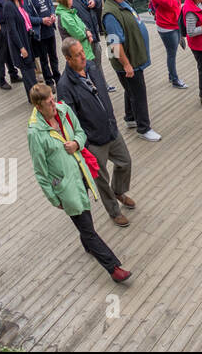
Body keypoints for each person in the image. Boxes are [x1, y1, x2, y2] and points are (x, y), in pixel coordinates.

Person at [26, 83, 132, 283]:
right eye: (49, 103)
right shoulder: (35, 134)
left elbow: (80, 133)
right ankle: (114, 268)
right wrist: (53, 197)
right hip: (65, 188)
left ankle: (88, 245)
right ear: (38, 107)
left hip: (81, 174)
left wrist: (76, 143)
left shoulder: (64, 110)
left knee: (86, 220)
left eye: (53, 98)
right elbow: (40, 170)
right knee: (88, 229)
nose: (53, 104)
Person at [56, 38, 135, 228]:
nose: (83, 56)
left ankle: (119, 191)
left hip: (111, 129)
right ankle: (114, 211)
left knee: (125, 162)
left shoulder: (91, 67)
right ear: (67, 58)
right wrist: (85, 142)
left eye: (83, 52)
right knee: (101, 179)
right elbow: (70, 119)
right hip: (93, 141)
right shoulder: (65, 86)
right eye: (77, 55)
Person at [102, 0, 161, 142]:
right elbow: (114, 43)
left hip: (134, 58)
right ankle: (144, 128)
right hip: (129, 62)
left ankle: (130, 118)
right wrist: (126, 64)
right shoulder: (110, 14)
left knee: (131, 91)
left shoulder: (121, 3)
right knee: (138, 93)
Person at [68, 0, 113, 93]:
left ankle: (103, 85)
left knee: (98, 63)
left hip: (94, 33)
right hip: (83, 38)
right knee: (86, 65)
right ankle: (91, 88)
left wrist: (95, 2)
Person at [147, 0, 188, 90]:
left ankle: (172, 75)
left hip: (175, 22)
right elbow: (169, 2)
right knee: (171, 53)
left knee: (173, 50)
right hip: (166, 26)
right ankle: (174, 79)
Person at [23, 0, 61, 86]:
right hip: (40, 32)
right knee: (44, 59)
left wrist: (52, 14)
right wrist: (42, 20)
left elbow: (50, 3)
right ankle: (49, 81)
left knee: (53, 55)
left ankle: (57, 78)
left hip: (50, 28)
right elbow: (28, 18)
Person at [1, 0, 39, 97]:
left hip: (27, 39)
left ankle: (33, 97)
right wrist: (21, 47)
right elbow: (12, 30)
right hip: (20, 44)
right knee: (28, 72)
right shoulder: (8, 6)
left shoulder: (19, 3)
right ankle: (35, 97)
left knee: (31, 70)